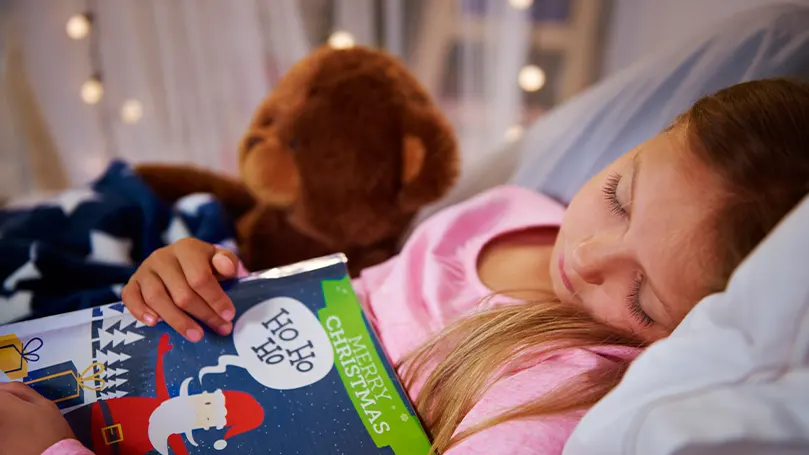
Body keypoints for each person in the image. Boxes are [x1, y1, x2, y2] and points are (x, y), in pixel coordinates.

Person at [12, 78, 809, 455]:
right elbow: (342, 291)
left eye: (640, 294)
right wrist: (192, 277)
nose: (588, 256)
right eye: (619, 195)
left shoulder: (558, 399)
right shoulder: (516, 208)